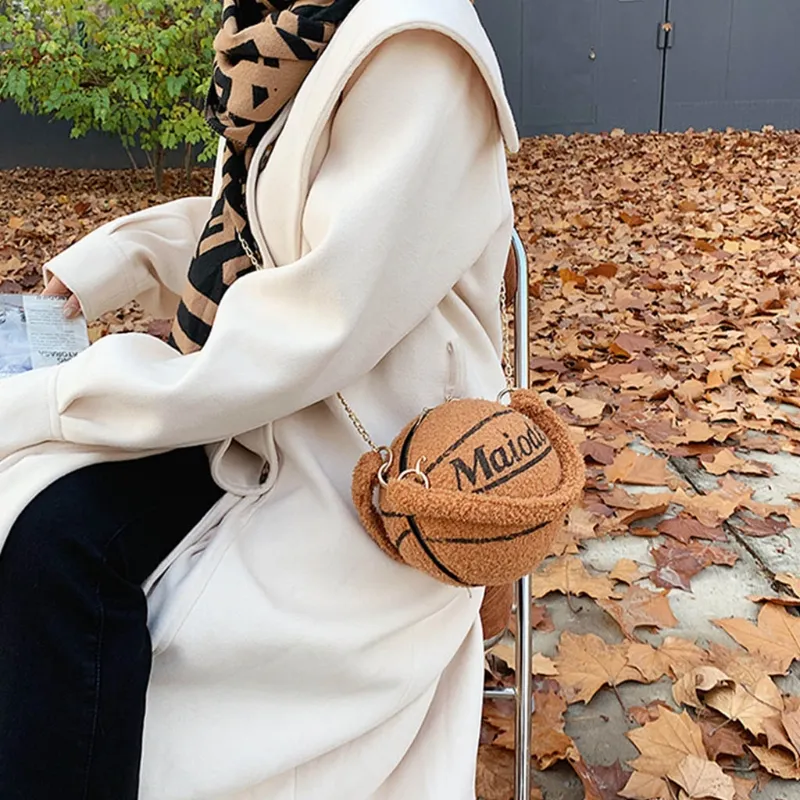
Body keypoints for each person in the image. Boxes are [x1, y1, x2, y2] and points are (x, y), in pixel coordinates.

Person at [0, 0, 518, 797]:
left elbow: (319, 318)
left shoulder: (416, 48)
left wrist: (60, 394)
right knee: (45, 523)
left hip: (366, 462)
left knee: (56, 551)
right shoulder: (276, 35)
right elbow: (258, 224)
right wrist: (114, 257)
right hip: (253, 410)